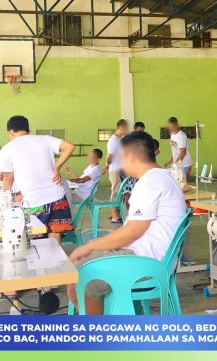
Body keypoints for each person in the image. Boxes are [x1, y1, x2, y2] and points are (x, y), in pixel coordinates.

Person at [67, 131, 186, 315]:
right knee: (80, 265)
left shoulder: (150, 182)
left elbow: (132, 232)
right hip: (153, 257)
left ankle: (98, 335)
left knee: (81, 274)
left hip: (145, 263)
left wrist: (89, 246)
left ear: (129, 156)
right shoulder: (163, 176)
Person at [0, 116, 75, 242]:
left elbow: (8, 179)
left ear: (10, 132)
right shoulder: (45, 139)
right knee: (54, 239)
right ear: (27, 129)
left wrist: (5, 201)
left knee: (36, 243)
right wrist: (57, 167)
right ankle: (56, 260)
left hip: (33, 202)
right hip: (57, 197)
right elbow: (69, 147)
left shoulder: (7, 149)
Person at [103, 119, 129, 223]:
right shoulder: (113, 141)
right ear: (121, 127)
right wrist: (107, 166)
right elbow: (109, 157)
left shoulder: (119, 140)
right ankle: (114, 216)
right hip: (115, 170)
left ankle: (117, 214)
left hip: (120, 169)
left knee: (120, 193)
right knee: (115, 192)